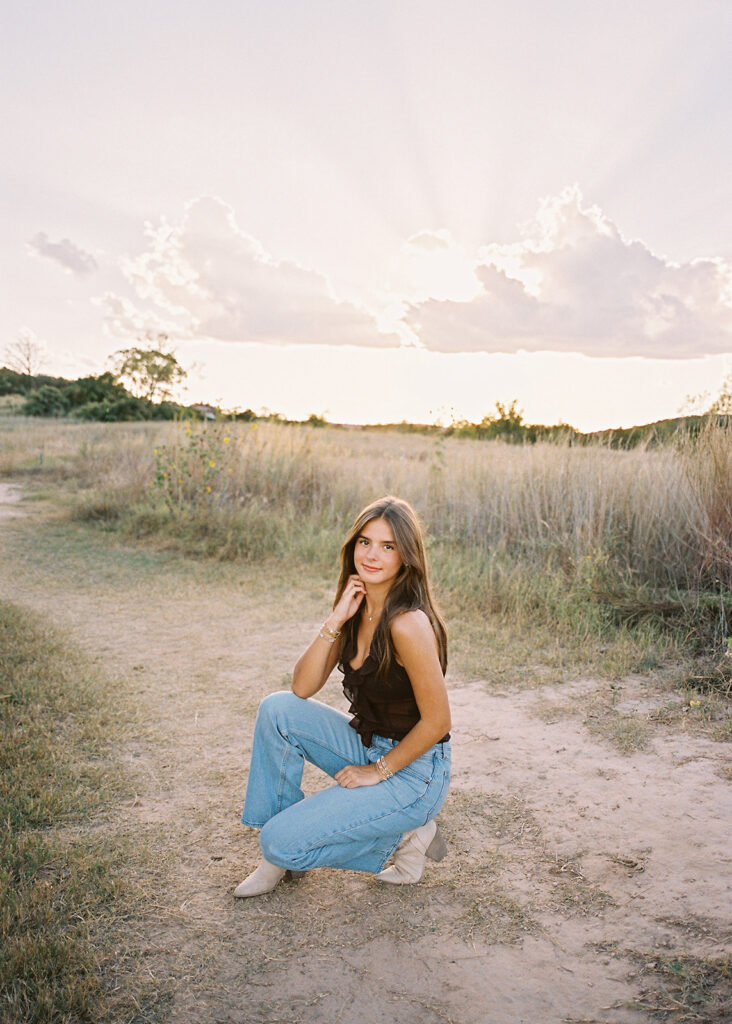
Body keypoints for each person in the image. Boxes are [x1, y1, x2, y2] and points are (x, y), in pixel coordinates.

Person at [235, 495, 452, 897]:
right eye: (365, 542)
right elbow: (302, 688)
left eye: (388, 546)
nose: (372, 555)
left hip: (415, 774)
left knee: (280, 842)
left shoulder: (408, 623)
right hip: (370, 745)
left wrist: (379, 770)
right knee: (277, 709)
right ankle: (279, 857)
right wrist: (335, 619)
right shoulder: (357, 607)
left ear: (406, 556)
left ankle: (406, 838)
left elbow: (438, 722)